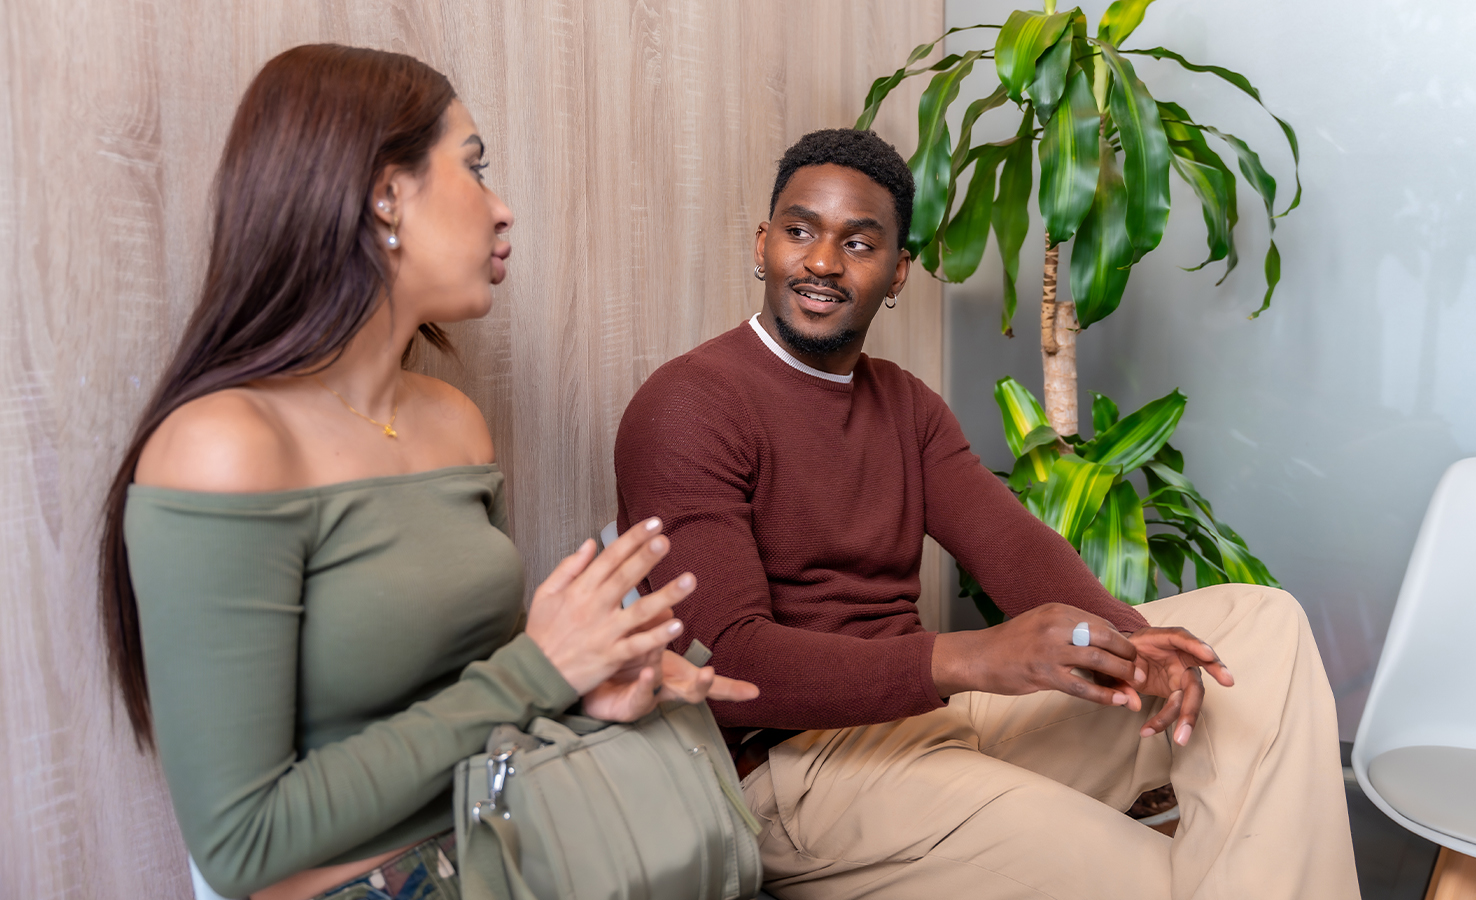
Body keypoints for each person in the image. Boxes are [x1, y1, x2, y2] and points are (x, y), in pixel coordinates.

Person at [613, 128, 1359, 900]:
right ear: (763, 242)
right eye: (800, 232)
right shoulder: (688, 405)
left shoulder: (904, 403)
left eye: (859, 243)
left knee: (1261, 626)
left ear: (897, 272)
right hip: (801, 774)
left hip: (933, 718)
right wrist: (969, 658)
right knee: (1167, 882)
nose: (823, 263)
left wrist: (1132, 642)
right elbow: (729, 663)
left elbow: (1011, 544)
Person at [98, 45, 755, 900]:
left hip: (509, 850)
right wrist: (540, 671)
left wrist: (586, 683)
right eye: (474, 168)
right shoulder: (224, 447)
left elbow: (467, 698)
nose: (503, 208)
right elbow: (240, 843)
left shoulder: (454, 425)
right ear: (385, 193)